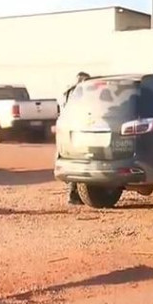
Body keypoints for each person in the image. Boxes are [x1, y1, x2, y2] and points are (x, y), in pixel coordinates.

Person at [62, 71, 90, 204]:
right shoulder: (80, 92)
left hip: (71, 131)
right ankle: (73, 195)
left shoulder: (69, 92)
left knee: (75, 162)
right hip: (78, 130)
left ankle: (75, 194)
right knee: (80, 162)